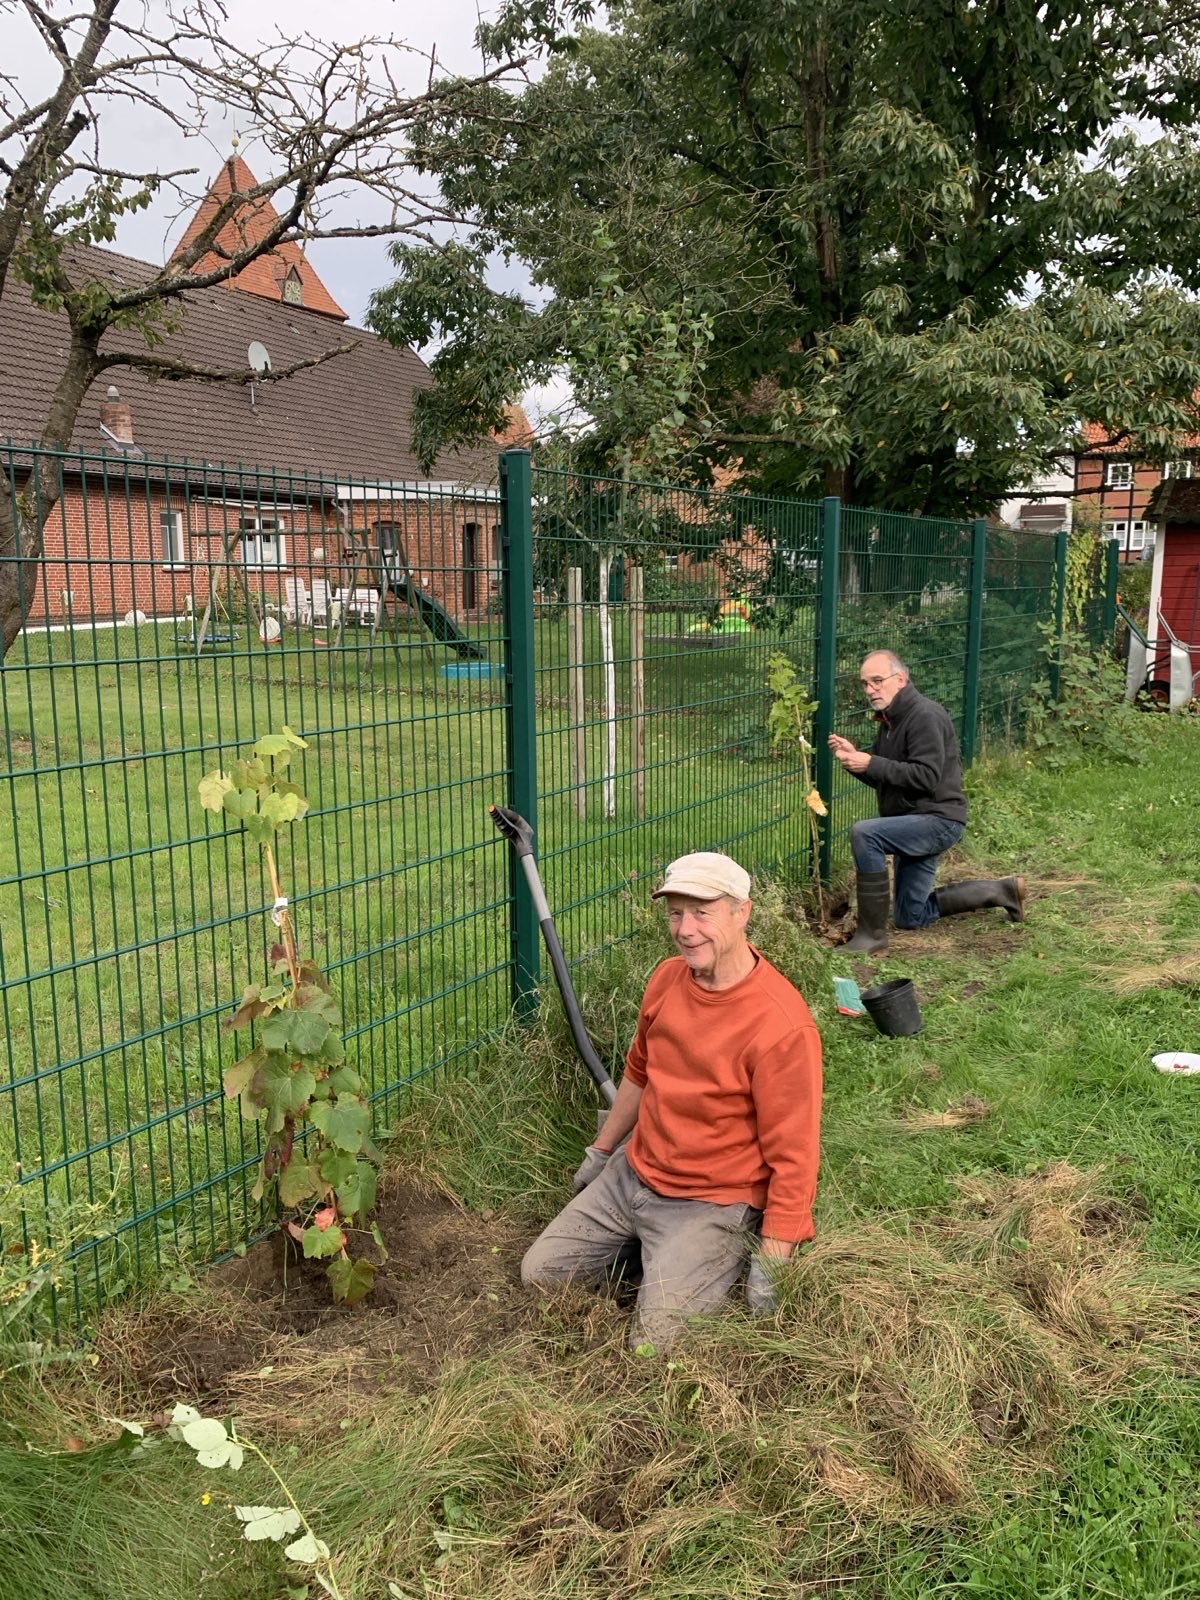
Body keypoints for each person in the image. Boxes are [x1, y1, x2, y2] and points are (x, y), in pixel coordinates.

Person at [521, 851, 822, 1349]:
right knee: (542, 1274)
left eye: (702, 913)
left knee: (656, 1343)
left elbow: (795, 1155)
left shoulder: (781, 1026)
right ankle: (653, 1253)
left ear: (742, 912)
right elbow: (638, 1074)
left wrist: (774, 1259)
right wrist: (601, 1151)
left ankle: (710, 1252)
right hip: (635, 1173)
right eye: (676, 913)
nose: (685, 930)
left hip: (711, 1200)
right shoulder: (666, 978)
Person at [828, 650, 1026, 954]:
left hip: (938, 821)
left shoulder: (924, 715)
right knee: (911, 917)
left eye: (877, 680)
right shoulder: (890, 722)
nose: (870, 689)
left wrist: (871, 763)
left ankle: (871, 936)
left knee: (865, 833)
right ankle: (1002, 890)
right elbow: (889, 777)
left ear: (901, 679)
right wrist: (855, 761)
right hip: (914, 820)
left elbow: (926, 777)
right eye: (865, 683)